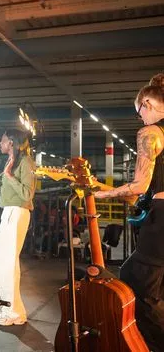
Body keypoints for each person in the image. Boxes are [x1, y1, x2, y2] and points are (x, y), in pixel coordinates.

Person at [93, 72, 164, 350]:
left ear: (146, 103)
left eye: (139, 113)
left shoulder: (151, 132)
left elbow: (139, 185)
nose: (141, 119)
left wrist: (99, 193)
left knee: (137, 283)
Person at [0, 129, 36, 326]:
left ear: (12, 143)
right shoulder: (11, 162)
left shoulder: (26, 162)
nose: (0, 143)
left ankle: (12, 311)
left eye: (3, 140)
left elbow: (27, 194)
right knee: (3, 262)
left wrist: (9, 175)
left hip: (18, 212)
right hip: (8, 212)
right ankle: (14, 310)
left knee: (6, 262)